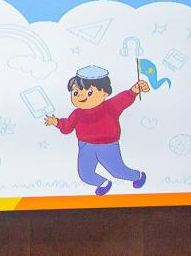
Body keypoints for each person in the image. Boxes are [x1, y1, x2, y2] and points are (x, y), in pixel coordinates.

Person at [44, 65, 150, 195]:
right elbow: (67, 127)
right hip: (85, 147)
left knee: (117, 171)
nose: (81, 96)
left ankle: (138, 176)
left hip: (107, 146)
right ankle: (103, 183)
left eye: (89, 92)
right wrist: (56, 122)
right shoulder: (77, 113)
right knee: (85, 174)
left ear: (104, 93)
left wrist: (135, 90)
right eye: (75, 93)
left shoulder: (110, 106)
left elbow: (124, 99)